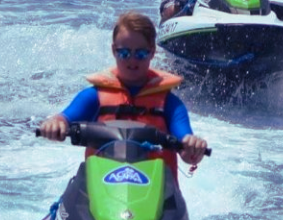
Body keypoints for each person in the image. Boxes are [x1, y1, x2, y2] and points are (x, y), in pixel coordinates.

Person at [37, 11, 208, 170]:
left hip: (155, 189)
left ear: (152, 53)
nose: (132, 60)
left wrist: (192, 147)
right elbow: (65, 117)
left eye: (140, 53)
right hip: (103, 184)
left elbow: (185, 142)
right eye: (124, 53)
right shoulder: (93, 96)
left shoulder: (170, 104)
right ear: (114, 51)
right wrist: (55, 124)